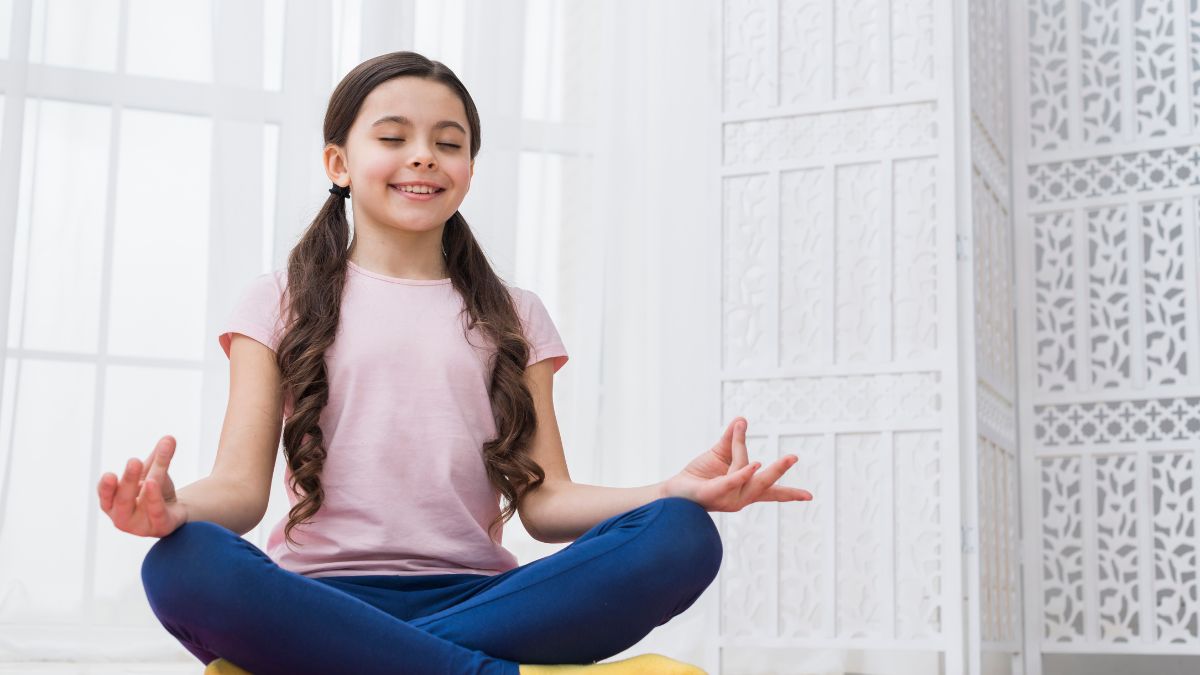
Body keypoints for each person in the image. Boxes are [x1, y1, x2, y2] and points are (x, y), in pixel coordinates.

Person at [94, 50, 811, 675]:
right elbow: (241, 490)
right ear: (338, 164)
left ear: (469, 168)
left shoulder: (515, 313)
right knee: (182, 564)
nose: (423, 156)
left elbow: (545, 502)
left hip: (485, 599)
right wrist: (177, 508)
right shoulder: (277, 300)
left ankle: (358, 663)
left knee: (681, 534)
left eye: (448, 141)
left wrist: (668, 488)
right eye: (393, 137)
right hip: (314, 597)